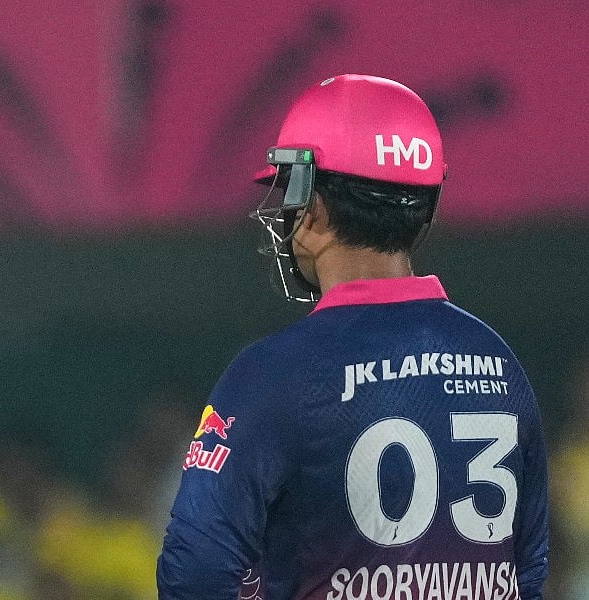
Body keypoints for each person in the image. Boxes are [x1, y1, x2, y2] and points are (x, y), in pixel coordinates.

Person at [157, 74, 549, 599]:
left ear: (314, 207)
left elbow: (196, 572)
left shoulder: (272, 375)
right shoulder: (500, 364)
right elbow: (529, 568)